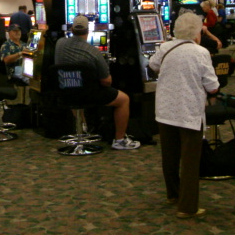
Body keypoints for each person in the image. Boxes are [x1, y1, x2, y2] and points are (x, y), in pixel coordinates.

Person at [148, 12, 219, 219]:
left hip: (165, 109)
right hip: (188, 112)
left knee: (169, 156)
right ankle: (187, 206)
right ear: (197, 32)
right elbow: (212, 86)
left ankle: (173, 194)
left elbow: (152, 65)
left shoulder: (165, 47)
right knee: (189, 160)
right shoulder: (200, 52)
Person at [55, 15, 140, 150]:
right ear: (88, 31)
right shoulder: (93, 51)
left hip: (65, 92)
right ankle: (119, 140)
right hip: (88, 95)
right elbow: (106, 81)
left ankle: (83, 130)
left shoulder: (59, 44)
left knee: (75, 89)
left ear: (71, 29)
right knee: (124, 99)